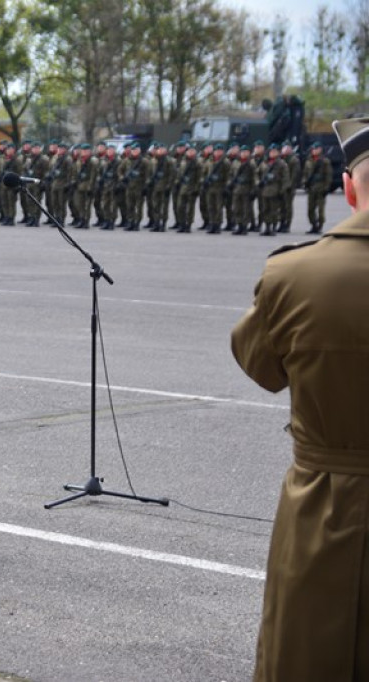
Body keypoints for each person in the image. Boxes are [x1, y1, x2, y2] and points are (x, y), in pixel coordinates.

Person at [230, 116, 369, 682]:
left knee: (307, 656)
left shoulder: (294, 274)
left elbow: (259, 366)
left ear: (349, 188)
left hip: (324, 507)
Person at [302, 141, 332, 234]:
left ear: (320, 150)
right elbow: (305, 174)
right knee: (310, 209)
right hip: (311, 188)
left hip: (321, 188)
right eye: (313, 149)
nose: (314, 151)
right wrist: (304, 183)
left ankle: (320, 225)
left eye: (316, 149)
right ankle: (313, 225)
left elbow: (328, 176)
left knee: (320, 209)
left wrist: (326, 188)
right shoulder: (308, 161)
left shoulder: (324, 161)